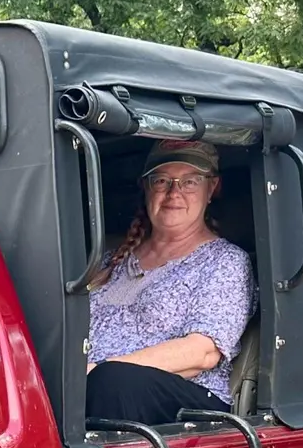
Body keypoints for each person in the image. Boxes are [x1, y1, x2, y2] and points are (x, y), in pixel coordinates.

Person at [85, 140, 254, 427]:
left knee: (112, 381)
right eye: (162, 180)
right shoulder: (108, 261)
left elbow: (201, 353)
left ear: (211, 188)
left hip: (188, 405)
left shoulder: (225, 262)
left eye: (190, 181)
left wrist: (99, 369)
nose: (174, 192)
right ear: (146, 188)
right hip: (94, 388)